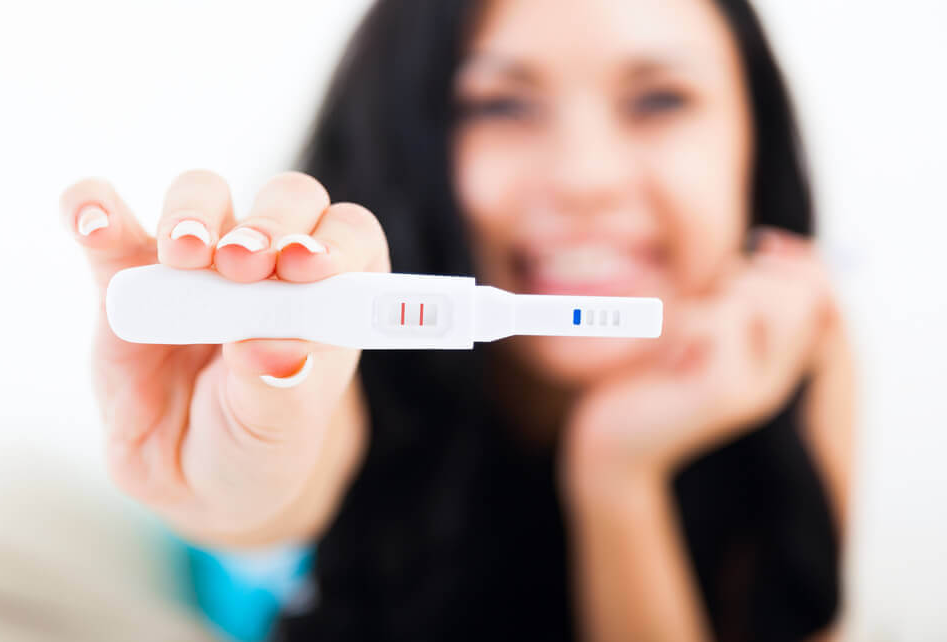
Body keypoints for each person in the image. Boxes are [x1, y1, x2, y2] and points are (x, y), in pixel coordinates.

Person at [59, 0, 854, 639]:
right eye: (499, 104)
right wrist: (242, 475)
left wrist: (618, 479)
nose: (585, 176)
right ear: (410, 139)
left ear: (755, 137)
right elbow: (273, 490)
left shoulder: (786, 344)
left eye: (659, 100)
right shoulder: (332, 353)